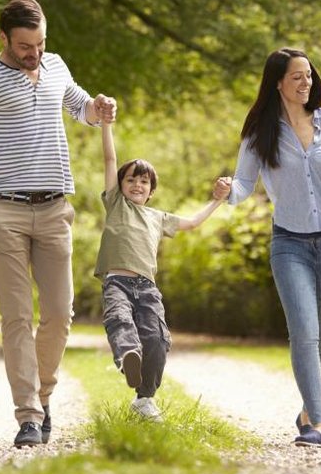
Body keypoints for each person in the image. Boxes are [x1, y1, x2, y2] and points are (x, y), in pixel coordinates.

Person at [0, 0, 116, 448]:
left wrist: (100, 106)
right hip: (5, 211)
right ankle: (27, 416)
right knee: (16, 315)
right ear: (3, 38)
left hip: (56, 208)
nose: (34, 53)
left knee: (60, 314)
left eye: (39, 43)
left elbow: (83, 110)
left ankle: (43, 398)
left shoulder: (56, 65)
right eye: (24, 45)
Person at [223, 47, 321, 446]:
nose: (306, 82)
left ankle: (309, 411)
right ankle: (320, 424)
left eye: (308, 75)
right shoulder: (261, 133)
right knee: (305, 334)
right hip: (289, 244)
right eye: (296, 76)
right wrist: (227, 190)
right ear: (277, 82)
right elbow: (244, 184)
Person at [94, 121, 232, 421]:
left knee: (157, 339)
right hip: (117, 282)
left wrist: (217, 201)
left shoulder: (159, 218)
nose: (137, 185)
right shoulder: (116, 204)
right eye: (131, 180)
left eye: (144, 182)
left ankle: (145, 399)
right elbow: (109, 159)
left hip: (147, 288)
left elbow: (193, 223)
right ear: (120, 185)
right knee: (120, 320)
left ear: (151, 191)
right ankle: (128, 357)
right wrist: (106, 125)